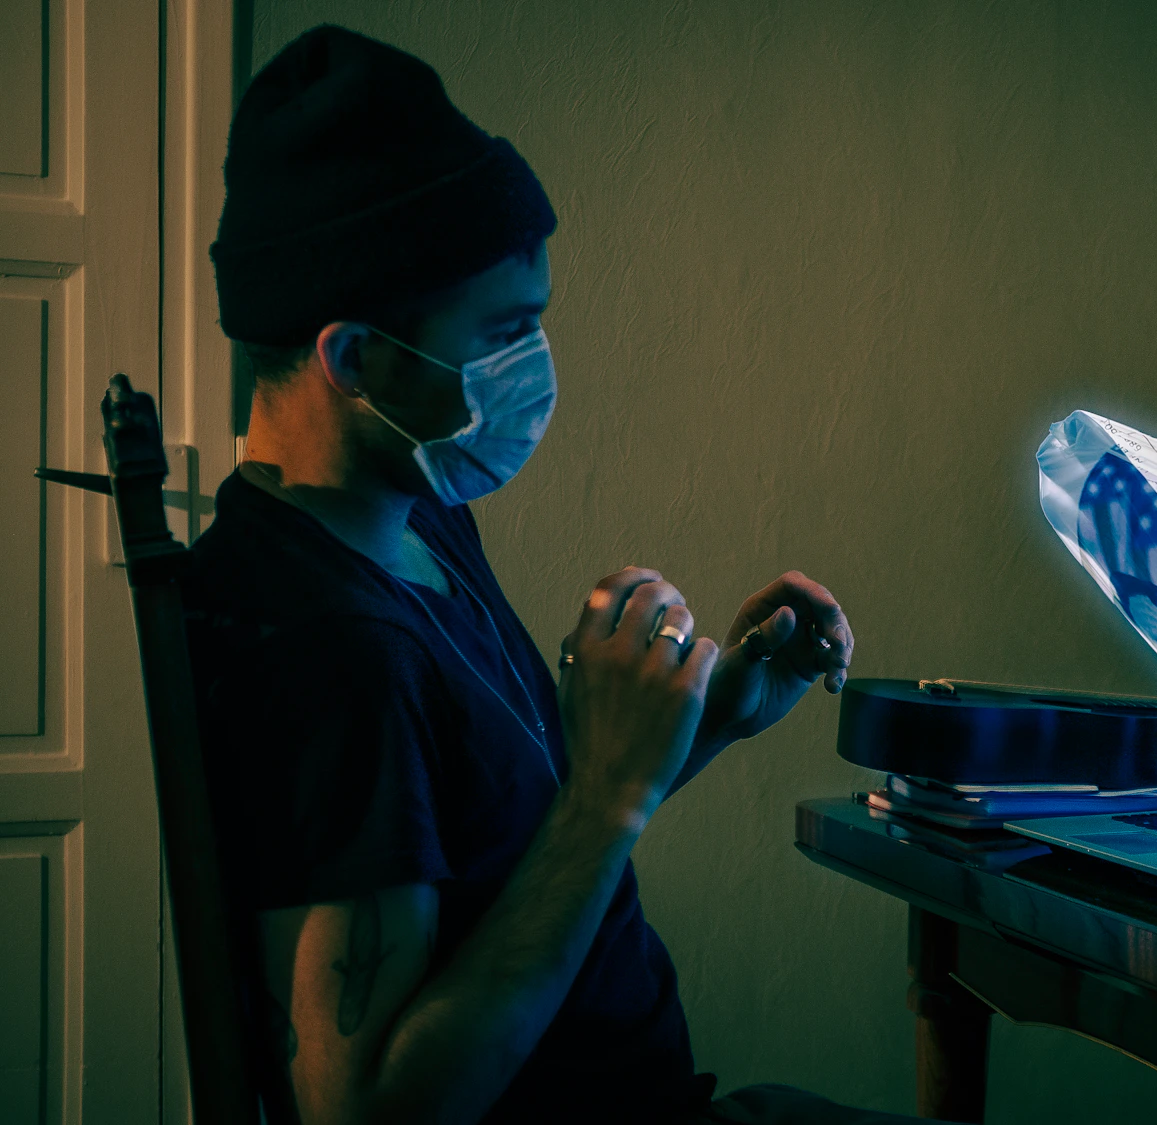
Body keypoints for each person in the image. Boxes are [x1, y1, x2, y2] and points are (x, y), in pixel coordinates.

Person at [187, 24, 927, 1125]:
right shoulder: (327, 645)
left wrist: (701, 721)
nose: (533, 368)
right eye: (503, 333)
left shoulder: (418, 521)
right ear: (355, 359)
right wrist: (611, 794)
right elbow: (365, 1107)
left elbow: (511, 849)